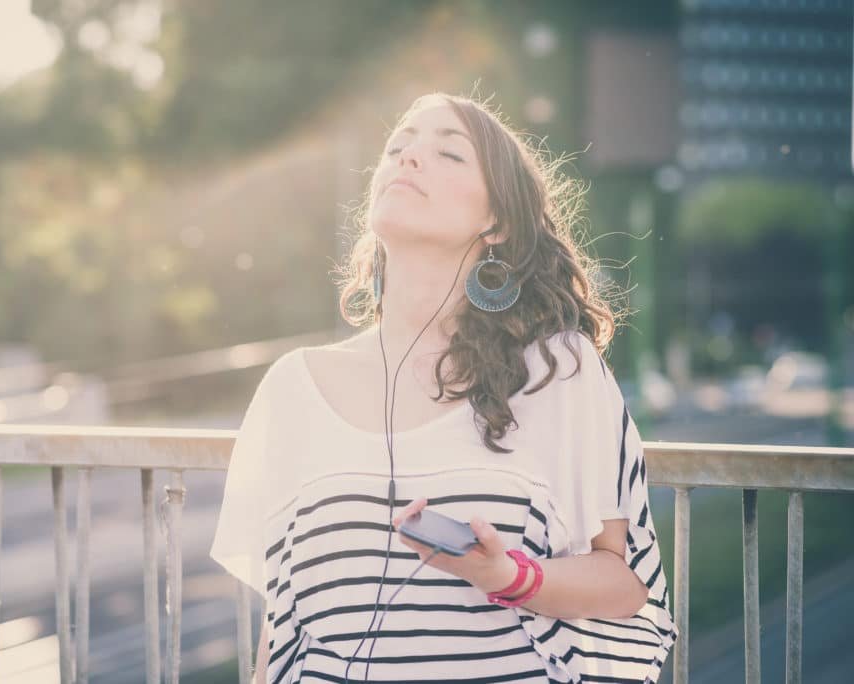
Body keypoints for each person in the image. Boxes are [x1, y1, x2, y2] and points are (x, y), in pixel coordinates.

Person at [210, 91, 678, 683]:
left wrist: (506, 576)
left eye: (448, 154)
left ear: (497, 222)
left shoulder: (559, 370)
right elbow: (282, 631)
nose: (408, 159)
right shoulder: (291, 388)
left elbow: (624, 584)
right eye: (397, 147)